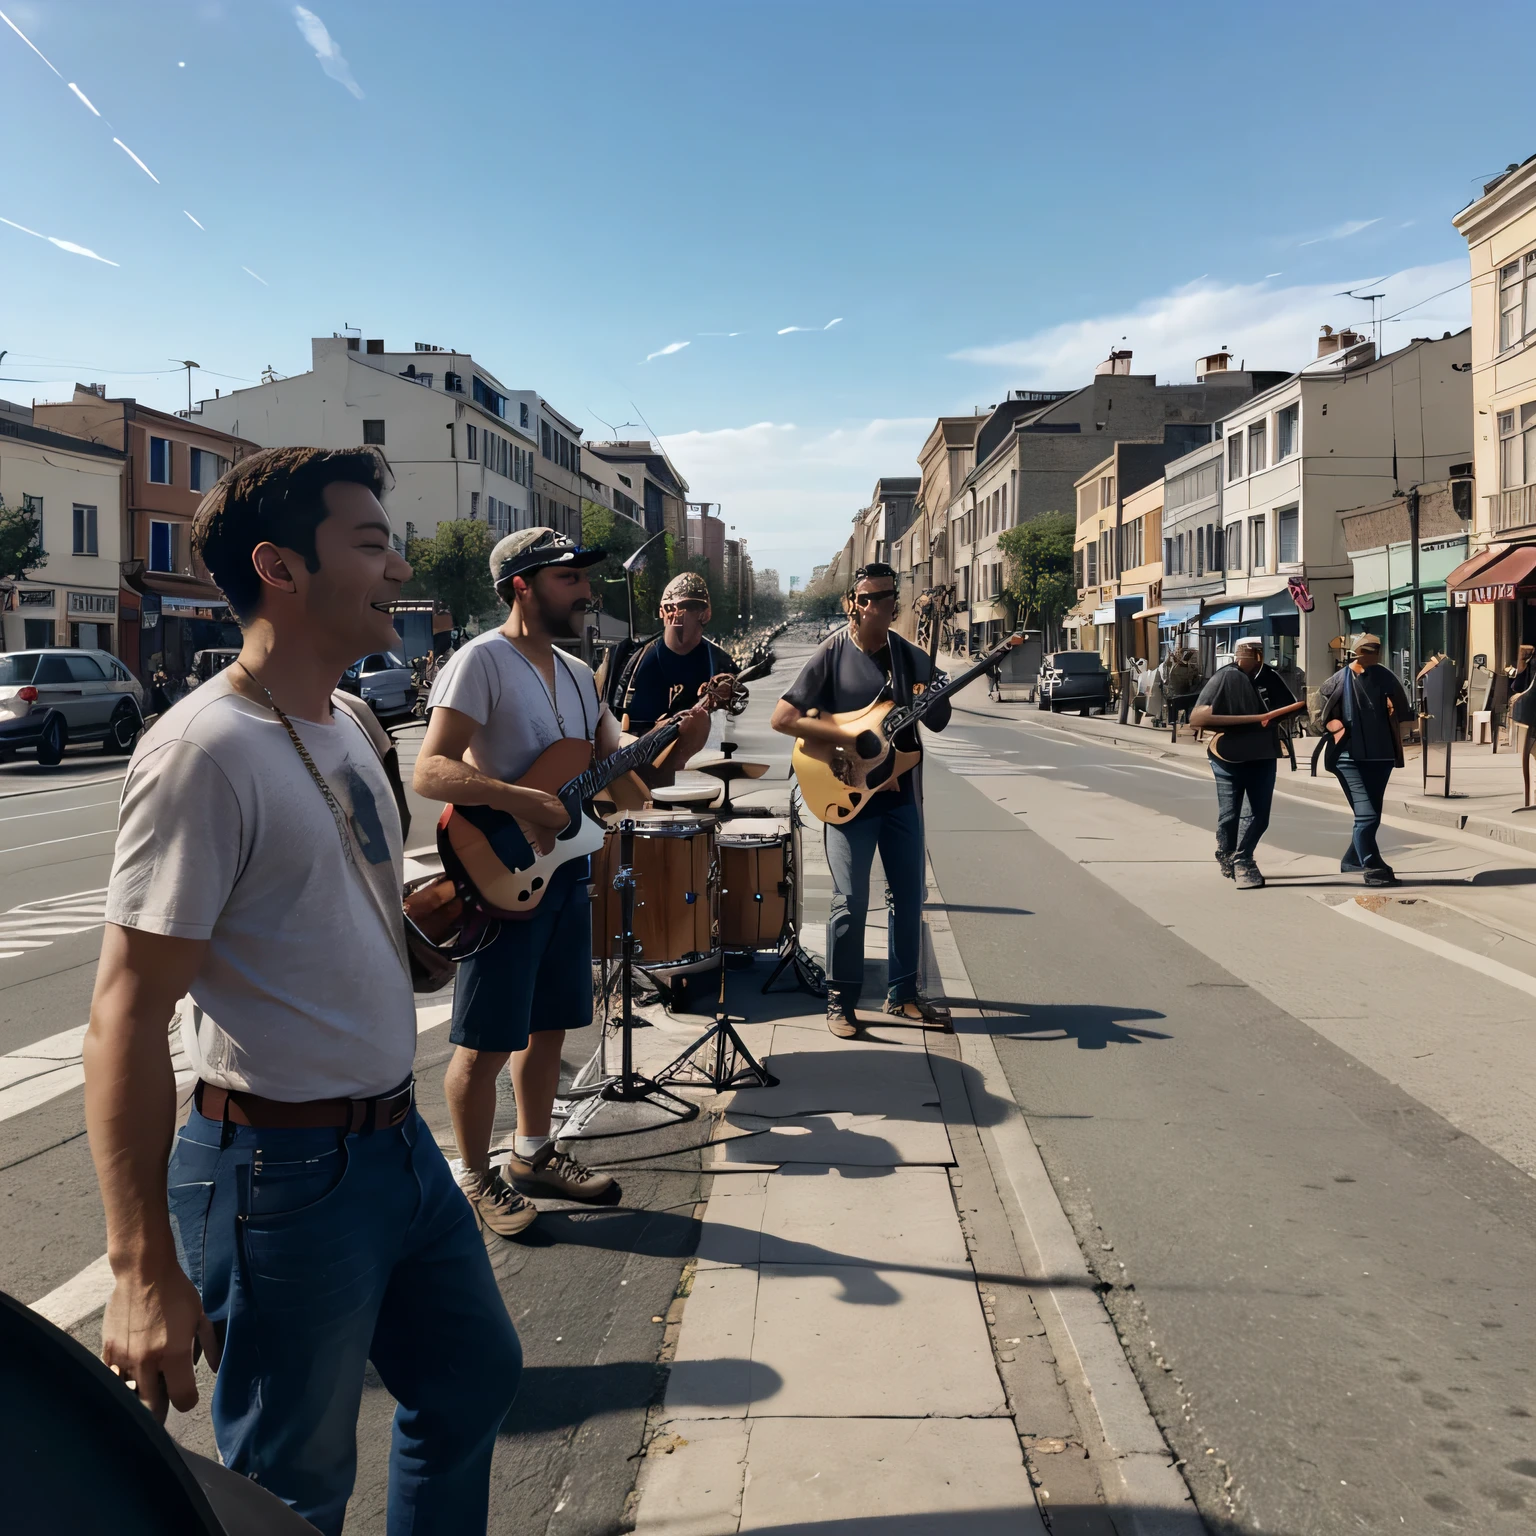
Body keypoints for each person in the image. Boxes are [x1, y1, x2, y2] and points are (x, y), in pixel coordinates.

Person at [85, 446, 521, 1535]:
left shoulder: (354, 722)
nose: (399, 562)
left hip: (398, 1146)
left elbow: (325, 911)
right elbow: (126, 1012)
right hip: (276, 1171)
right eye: (371, 543)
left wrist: (412, 944)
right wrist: (139, 1268)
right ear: (279, 568)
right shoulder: (202, 752)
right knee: (293, 1489)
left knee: (470, 1381)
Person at [413, 527, 621, 1238]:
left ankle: (533, 1153)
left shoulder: (576, 671)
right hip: (504, 873)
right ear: (522, 586)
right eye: (570, 579)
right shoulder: (482, 661)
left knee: (550, 1025)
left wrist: (680, 732)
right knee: (484, 1041)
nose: (586, 591)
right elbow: (430, 769)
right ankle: (474, 1175)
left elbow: (617, 766)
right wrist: (521, 799)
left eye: (584, 579)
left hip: (561, 872)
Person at [771, 561, 952, 1037]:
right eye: (866, 597)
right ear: (852, 603)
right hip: (847, 797)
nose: (875, 605)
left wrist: (933, 694)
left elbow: (937, 722)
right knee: (850, 900)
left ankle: (903, 995)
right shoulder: (832, 653)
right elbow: (784, 718)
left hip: (900, 798)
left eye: (885, 597)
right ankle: (840, 1001)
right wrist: (845, 743)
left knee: (909, 897)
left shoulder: (908, 656)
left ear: (895, 603)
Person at [1189, 636, 1300, 890]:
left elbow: (1290, 706)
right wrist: (1251, 720)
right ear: (1242, 654)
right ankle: (1229, 855)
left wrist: (1275, 718)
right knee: (1230, 813)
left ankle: (1242, 857)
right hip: (1228, 753)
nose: (1255, 659)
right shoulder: (1224, 677)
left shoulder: (1270, 677)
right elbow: (1198, 716)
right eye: (1251, 654)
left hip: (1262, 751)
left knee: (1259, 815)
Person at [1315, 633, 1412, 887]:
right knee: (1366, 815)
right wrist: (1332, 724)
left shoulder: (1385, 676)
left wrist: (1396, 714)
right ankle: (1372, 865)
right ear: (1357, 652)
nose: (1373, 656)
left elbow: (1404, 711)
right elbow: (1316, 716)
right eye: (1368, 651)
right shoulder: (1337, 681)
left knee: (1371, 814)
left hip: (1381, 756)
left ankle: (1352, 859)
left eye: (1376, 651)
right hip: (1348, 758)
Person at [620, 569, 737, 779]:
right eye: (670, 608)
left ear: (705, 614)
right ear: (661, 611)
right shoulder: (636, 664)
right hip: (644, 773)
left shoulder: (721, 664)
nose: (676, 614)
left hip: (705, 772)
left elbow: (738, 721)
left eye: (686, 608)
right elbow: (620, 729)